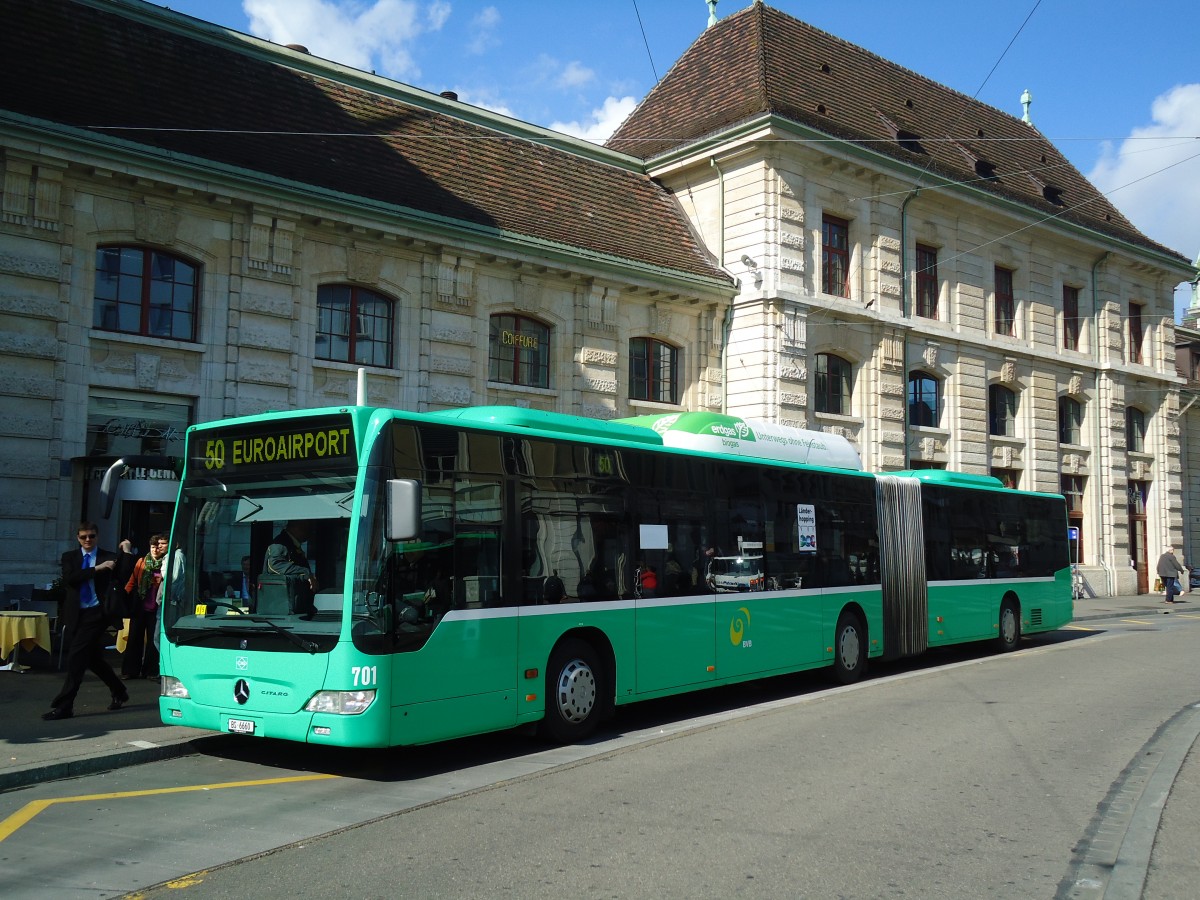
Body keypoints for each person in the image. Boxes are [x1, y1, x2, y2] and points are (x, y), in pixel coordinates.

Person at [42, 522, 129, 720]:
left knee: (76, 657)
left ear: (97, 536)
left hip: (97, 613)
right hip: (76, 614)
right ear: (78, 538)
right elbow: (70, 578)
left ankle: (65, 706)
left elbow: (124, 576)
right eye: (83, 537)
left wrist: (126, 551)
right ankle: (119, 690)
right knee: (93, 660)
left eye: (91, 536)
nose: (88, 540)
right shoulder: (70, 557)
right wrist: (97, 569)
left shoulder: (108, 556)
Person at [122, 533, 167, 679]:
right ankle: (130, 670)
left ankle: (150, 671)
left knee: (153, 640)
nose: (155, 550)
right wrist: (123, 596)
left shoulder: (165, 563)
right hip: (140, 606)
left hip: (156, 607)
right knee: (134, 638)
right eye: (152, 547)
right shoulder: (142, 561)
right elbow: (132, 580)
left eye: (157, 547)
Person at [263, 520, 318, 617]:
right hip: (283, 608)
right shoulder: (280, 543)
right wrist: (306, 573)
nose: (310, 533)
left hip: (295, 605)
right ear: (297, 527)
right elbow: (275, 566)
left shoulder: (291, 544)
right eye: (307, 528)